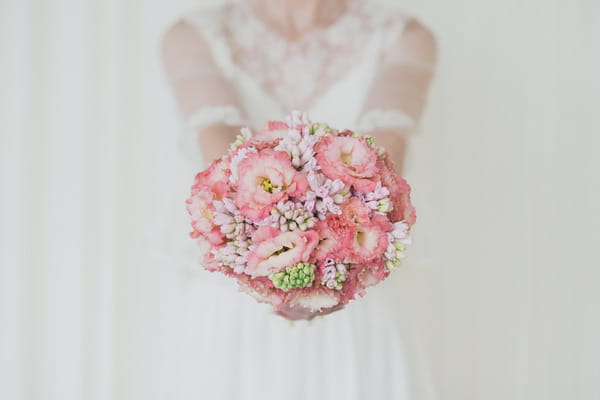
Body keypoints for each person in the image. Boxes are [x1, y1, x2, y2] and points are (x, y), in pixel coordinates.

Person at [161, 0, 437, 398]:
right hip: (239, 293)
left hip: (358, 289)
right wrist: (275, 270)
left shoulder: (403, 36)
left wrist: (332, 265)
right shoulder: (195, 33)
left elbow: (385, 151)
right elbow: (222, 153)